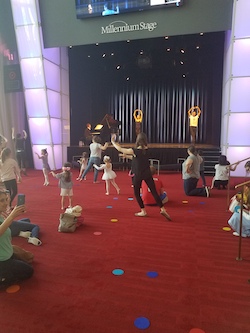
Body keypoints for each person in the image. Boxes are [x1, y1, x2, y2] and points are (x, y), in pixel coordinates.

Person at [111, 132, 171, 220]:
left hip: (138, 174)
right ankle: (162, 209)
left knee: (136, 193)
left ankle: (143, 211)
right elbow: (138, 159)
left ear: (137, 140)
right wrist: (127, 156)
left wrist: (113, 142)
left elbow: (120, 148)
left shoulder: (135, 150)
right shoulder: (147, 150)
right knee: (154, 192)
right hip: (147, 173)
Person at [0, 190, 34, 289]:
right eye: (2, 200)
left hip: (7, 253)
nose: (6, 203)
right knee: (28, 272)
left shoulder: (2, 214)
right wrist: (11, 216)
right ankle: (3, 279)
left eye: (6, 199)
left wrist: (11, 214)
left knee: (28, 259)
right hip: (2, 260)